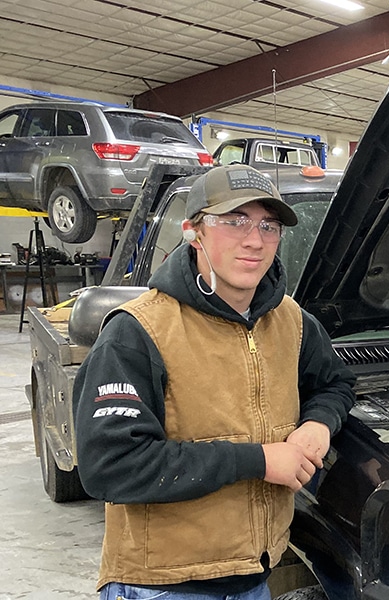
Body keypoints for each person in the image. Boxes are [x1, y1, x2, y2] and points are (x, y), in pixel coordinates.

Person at [73, 165, 357, 600]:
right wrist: (258, 461)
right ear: (193, 231)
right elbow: (110, 466)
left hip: (253, 577)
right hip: (165, 585)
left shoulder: (292, 322)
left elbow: (335, 383)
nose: (254, 240)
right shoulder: (138, 333)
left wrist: (318, 422)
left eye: (269, 225)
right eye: (234, 221)